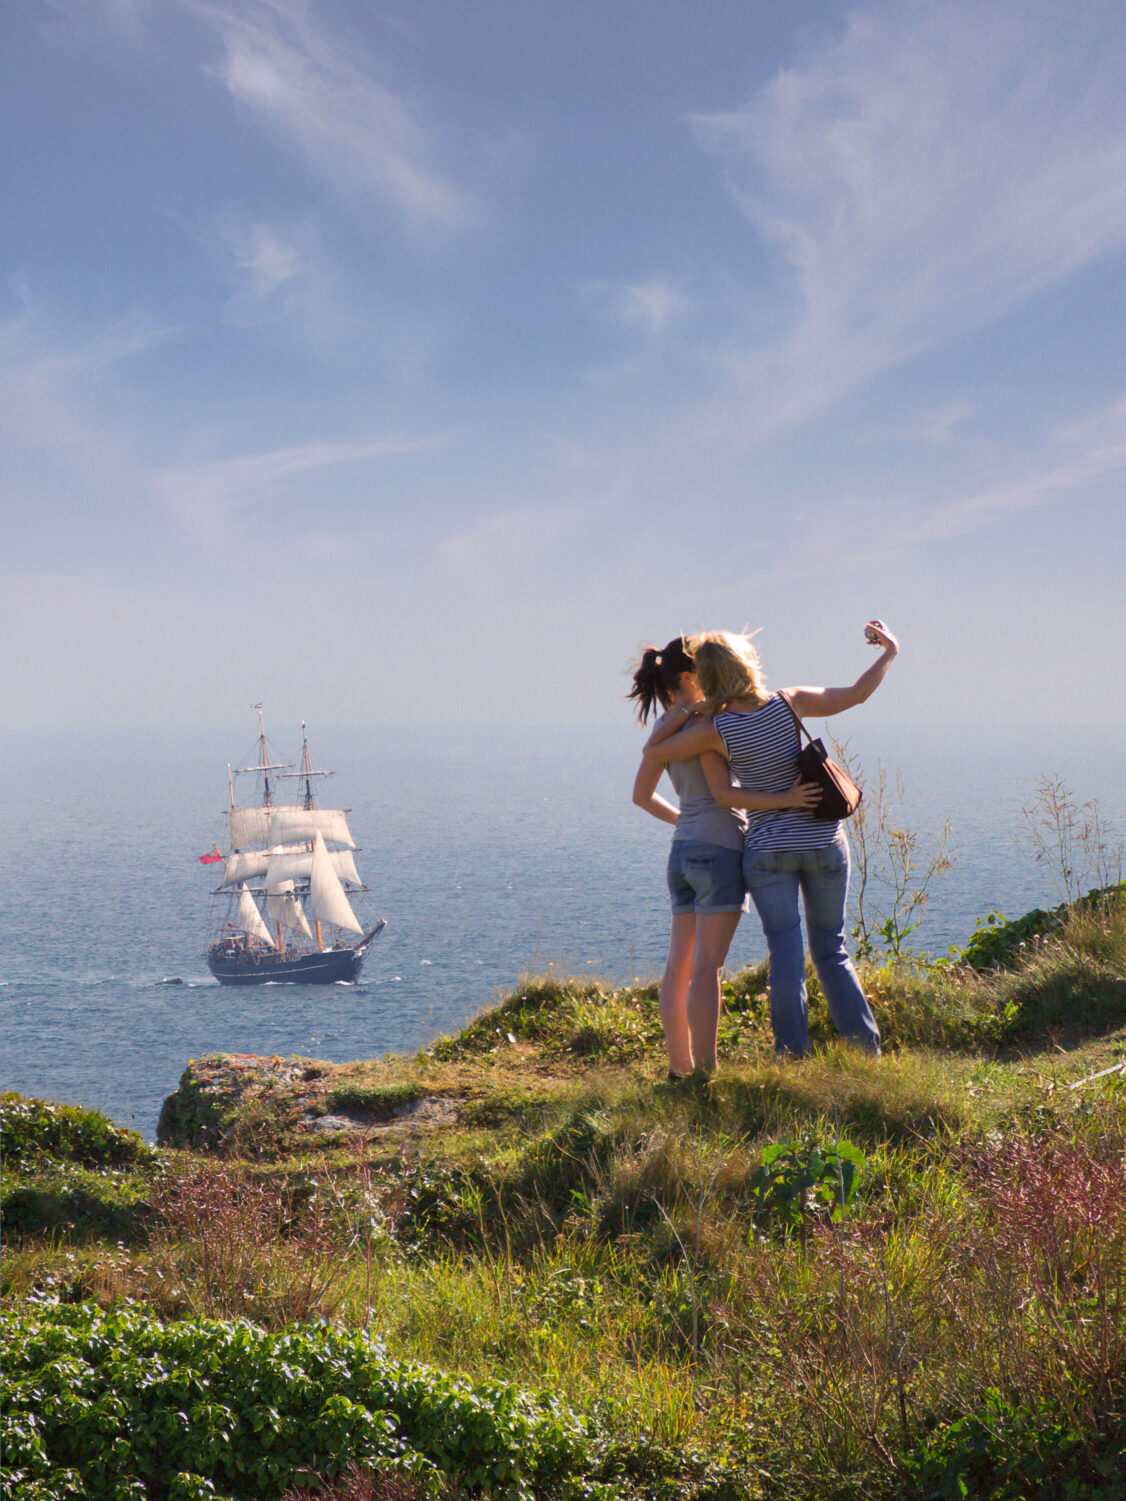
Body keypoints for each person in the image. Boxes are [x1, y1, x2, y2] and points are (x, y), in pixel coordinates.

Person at [643, 620, 898, 1059]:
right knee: (831, 949)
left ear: (704, 678)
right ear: (747, 663)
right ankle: (864, 1052)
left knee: (785, 955)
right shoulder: (790, 701)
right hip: (823, 842)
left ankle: (793, 1057)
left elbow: (661, 758)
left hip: (766, 851)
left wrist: (687, 711)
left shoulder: (714, 730)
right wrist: (888, 652)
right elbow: (855, 694)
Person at [629, 637, 818, 1076]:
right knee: (708, 967)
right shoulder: (712, 721)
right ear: (688, 677)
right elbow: (725, 785)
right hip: (719, 849)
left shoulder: (666, 729)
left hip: (683, 853)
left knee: (679, 965)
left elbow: (641, 796)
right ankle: (706, 1073)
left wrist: (685, 824)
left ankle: (680, 1069)